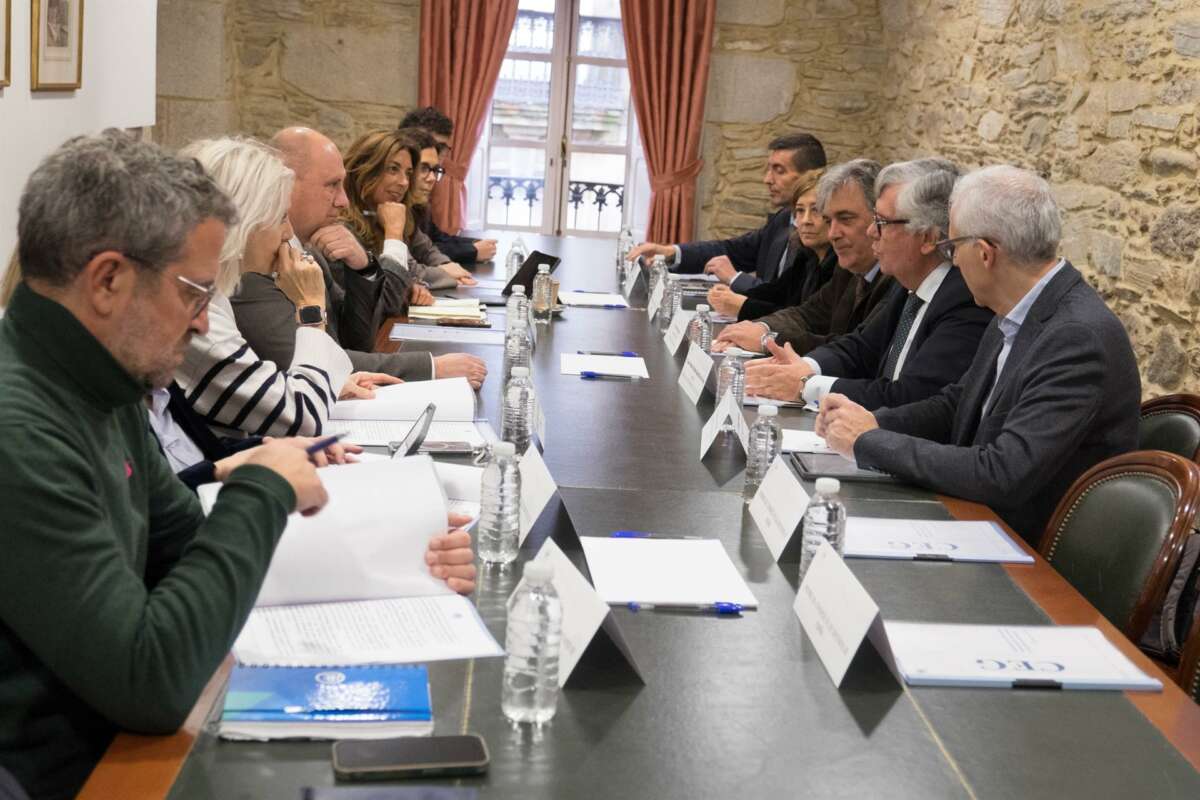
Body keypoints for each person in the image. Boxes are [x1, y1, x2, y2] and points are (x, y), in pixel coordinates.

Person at [0, 130, 477, 800]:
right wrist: (262, 486)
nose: (203, 323)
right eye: (195, 292)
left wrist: (402, 551)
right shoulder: (22, 426)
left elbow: (182, 541)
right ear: (108, 280)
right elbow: (151, 682)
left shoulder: (98, 383)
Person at [817, 165, 1140, 544]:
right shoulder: (1017, 308)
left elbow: (1002, 472)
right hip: (980, 523)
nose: (952, 262)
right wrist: (872, 421)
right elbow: (957, 403)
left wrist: (870, 441)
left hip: (1029, 554)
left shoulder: (1075, 338)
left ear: (985, 254)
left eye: (953, 248)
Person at [173, 137, 395, 439]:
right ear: (241, 223)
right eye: (279, 217)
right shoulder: (197, 311)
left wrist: (328, 383)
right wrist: (311, 311)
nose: (288, 232)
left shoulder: (213, 296)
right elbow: (302, 417)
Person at [242, 130, 487, 388]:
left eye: (408, 173)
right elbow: (321, 361)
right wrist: (432, 367)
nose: (343, 201)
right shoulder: (256, 265)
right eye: (331, 185)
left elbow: (356, 339)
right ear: (284, 184)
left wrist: (364, 267)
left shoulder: (309, 248)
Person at [745, 158, 993, 410]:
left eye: (883, 222)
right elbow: (860, 348)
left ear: (927, 237)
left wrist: (804, 385)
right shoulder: (908, 284)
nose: (873, 231)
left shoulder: (964, 298)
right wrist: (805, 367)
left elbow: (912, 396)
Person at [713, 160, 895, 355]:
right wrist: (760, 328)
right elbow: (807, 314)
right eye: (828, 220)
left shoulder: (894, 280)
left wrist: (767, 339)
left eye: (845, 219)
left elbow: (856, 351)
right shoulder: (844, 268)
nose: (833, 233)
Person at [626, 132, 828, 290]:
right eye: (769, 169)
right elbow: (733, 250)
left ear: (811, 177)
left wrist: (735, 279)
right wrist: (671, 252)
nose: (767, 179)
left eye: (779, 170)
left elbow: (791, 302)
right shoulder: (783, 219)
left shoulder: (823, 233)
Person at [341, 128, 473, 291]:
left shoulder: (390, 209)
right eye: (393, 169)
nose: (404, 182)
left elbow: (424, 250)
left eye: (408, 173)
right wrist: (446, 273)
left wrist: (447, 265)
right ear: (365, 169)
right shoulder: (345, 223)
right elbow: (400, 277)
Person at [706, 171, 836, 321]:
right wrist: (733, 295)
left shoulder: (839, 265)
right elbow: (776, 292)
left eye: (816, 210)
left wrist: (743, 306)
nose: (806, 220)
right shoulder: (807, 256)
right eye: (800, 211)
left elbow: (806, 319)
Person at [398, 105, 498, 264]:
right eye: (437, 146)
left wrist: (475, 244)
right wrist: (472, 251)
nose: (439, 155)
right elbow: (413, 255)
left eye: (442, 148)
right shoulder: (395, 198)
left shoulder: (418, 196)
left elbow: (432, 241)